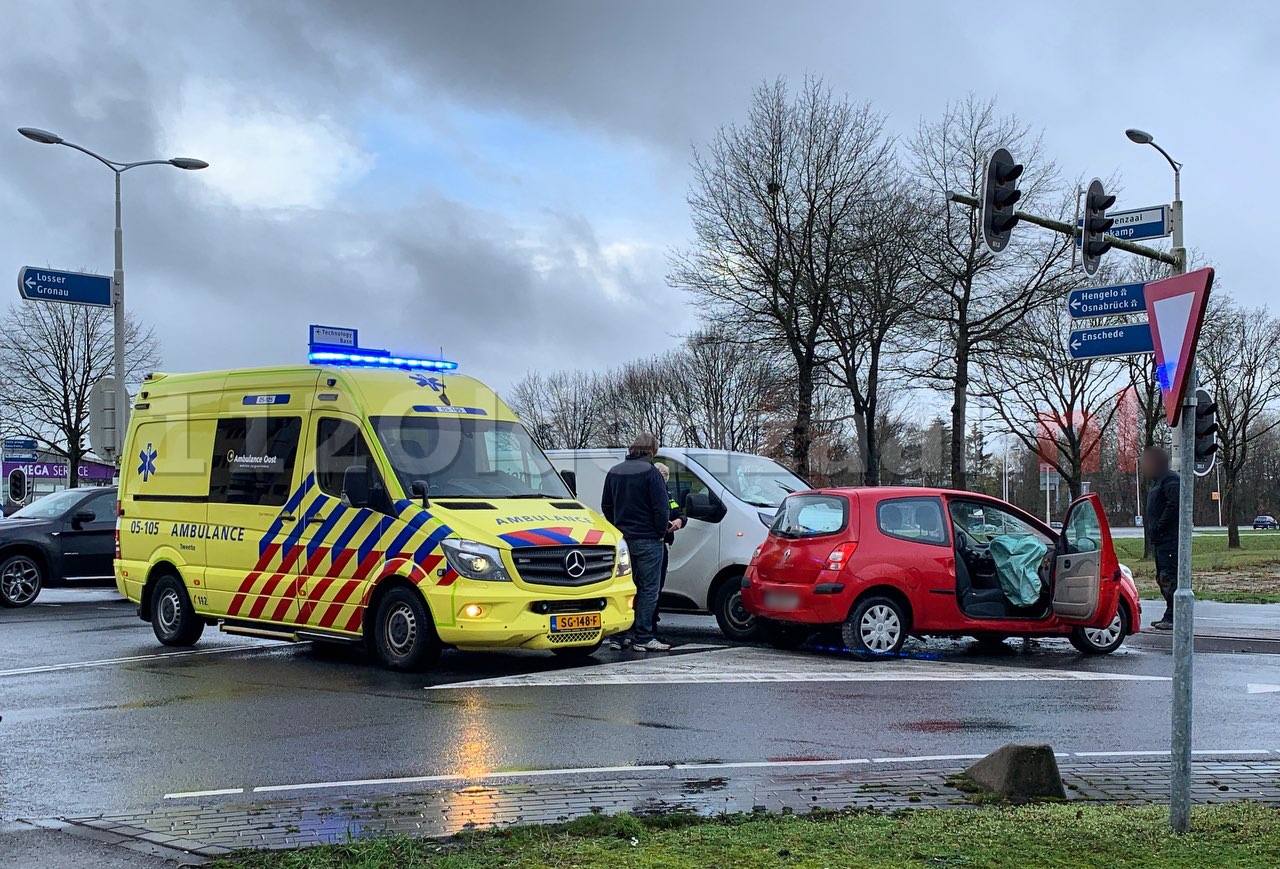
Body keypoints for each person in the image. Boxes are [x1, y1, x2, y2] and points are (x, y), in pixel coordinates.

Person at [602, 434, 672, 652]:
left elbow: (606, 505)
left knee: (625, 587)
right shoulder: (651, 473)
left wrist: (618, 528)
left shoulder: (614, 472)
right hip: (649, 539)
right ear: (651, 450)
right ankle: (643, 636)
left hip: (623, 540)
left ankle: (619, 635)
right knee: (648, 590)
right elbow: (661, 508)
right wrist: (660, 532)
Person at [1142, 446, 1180, 631]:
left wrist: (1159, 527)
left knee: (1169, 578)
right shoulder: (1157, 482)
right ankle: (1170, 615)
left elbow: (1174, 506)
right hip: (1160, 540)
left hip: (1169, 540)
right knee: (1162, 578)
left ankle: (1174, 617)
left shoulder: (1170, 480)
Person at [654, 462, 687, 626]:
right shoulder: (652, 492)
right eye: (663, 477)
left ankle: (652, 618)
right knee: (650, 586)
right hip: (653, 541)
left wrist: (680, 520)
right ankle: (647, 625)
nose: (664, 480)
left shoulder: (667, 494)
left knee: (657, 584)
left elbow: (677, 511)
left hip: (663, 543)